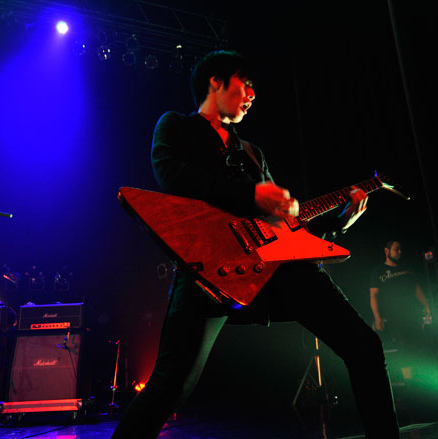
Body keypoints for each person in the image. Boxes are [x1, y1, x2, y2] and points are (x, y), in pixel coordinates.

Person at [111, 50, 399, 438]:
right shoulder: (176, 126)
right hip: (207, 267)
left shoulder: (252, 153)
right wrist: (250, 195)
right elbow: (172, 177)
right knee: (171, 383)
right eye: (245, 84)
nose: (252, 94)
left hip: (276, 268)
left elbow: (282, 225)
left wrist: (338, 222)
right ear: (215, 81)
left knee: (364, 346)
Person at [369, 240, 431, 380]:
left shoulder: (407, 268)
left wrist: (427, 305)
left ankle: (422, 379)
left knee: (419, 346)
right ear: (387, 251)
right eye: (396, 249)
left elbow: (417, 289)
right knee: (403, 348)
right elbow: (374, 296)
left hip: (412, 315)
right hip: (394, 317)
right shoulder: (378, 271)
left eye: (400, 249)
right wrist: (377, 317)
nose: (399, 252)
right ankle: (409, 382)